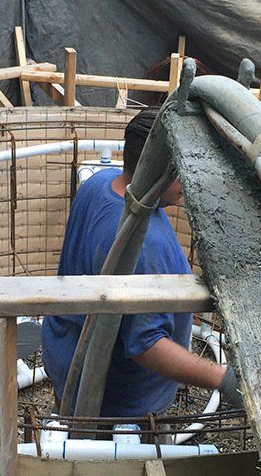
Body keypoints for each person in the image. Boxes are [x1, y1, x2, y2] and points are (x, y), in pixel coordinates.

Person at [42, 107, 240, 418]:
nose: (189, 181)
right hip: (115, 402)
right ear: (162, 169)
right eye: (184, 171)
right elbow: (146, 345)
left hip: (65, 354)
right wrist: (221, 378)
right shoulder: (141, 243)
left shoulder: (102, 183)